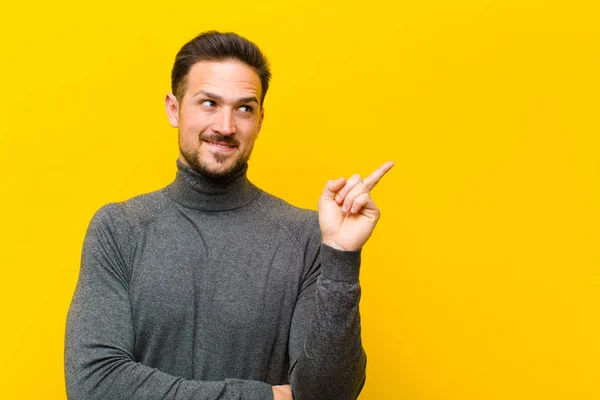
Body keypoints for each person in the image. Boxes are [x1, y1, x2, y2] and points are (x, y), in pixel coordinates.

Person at [65, 31, 393, 400]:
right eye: (208, 103)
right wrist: (264, 397)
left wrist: (340, 255)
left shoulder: (306, 236)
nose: (225, 126)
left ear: (261, 119)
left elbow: (327, 394)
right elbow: (94, 386)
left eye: (244, 108)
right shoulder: (119, 230)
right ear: (174, 109)